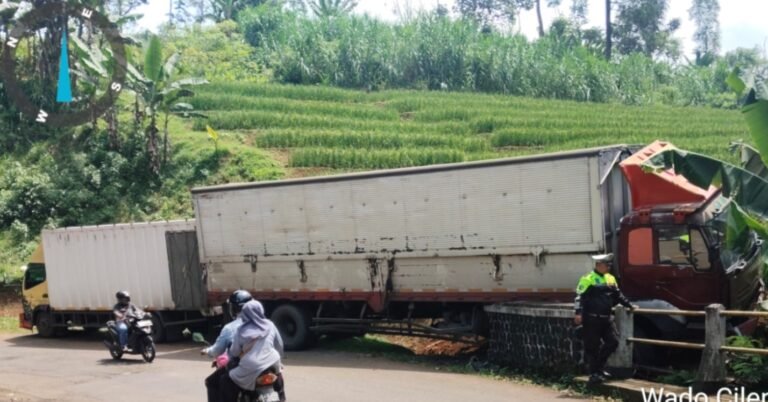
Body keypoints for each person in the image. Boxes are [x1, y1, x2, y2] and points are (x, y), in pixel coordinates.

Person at [573, 253, 635, 385]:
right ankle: (594, 374)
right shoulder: (588, 278)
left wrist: (629, 305)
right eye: (607, 265)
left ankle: (599, 367)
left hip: (607, 318)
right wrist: (578, 313)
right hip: (591, 319)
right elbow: (579, 297)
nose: (609, 267)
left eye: (609, 265)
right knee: (592, 347)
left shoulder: (610, 278)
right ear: (599, 265)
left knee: (613, 342)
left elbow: (618, 295)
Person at [213, 300, 285, 402]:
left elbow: (234, 352)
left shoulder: (241, 330)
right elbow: (279, 345)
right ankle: (282, 397)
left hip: (251, 366)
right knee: (279, 374)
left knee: (226, 380)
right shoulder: (270, 325)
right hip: (273, 361)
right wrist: (279, 359)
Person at [205, 290, 253, 402]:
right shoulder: (267, 325)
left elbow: (231, 352)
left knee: (216, 381)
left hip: (245, 367)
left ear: (234, 309)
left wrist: (209, 352)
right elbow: (278, 347)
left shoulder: (233, 328)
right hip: (270, 364)